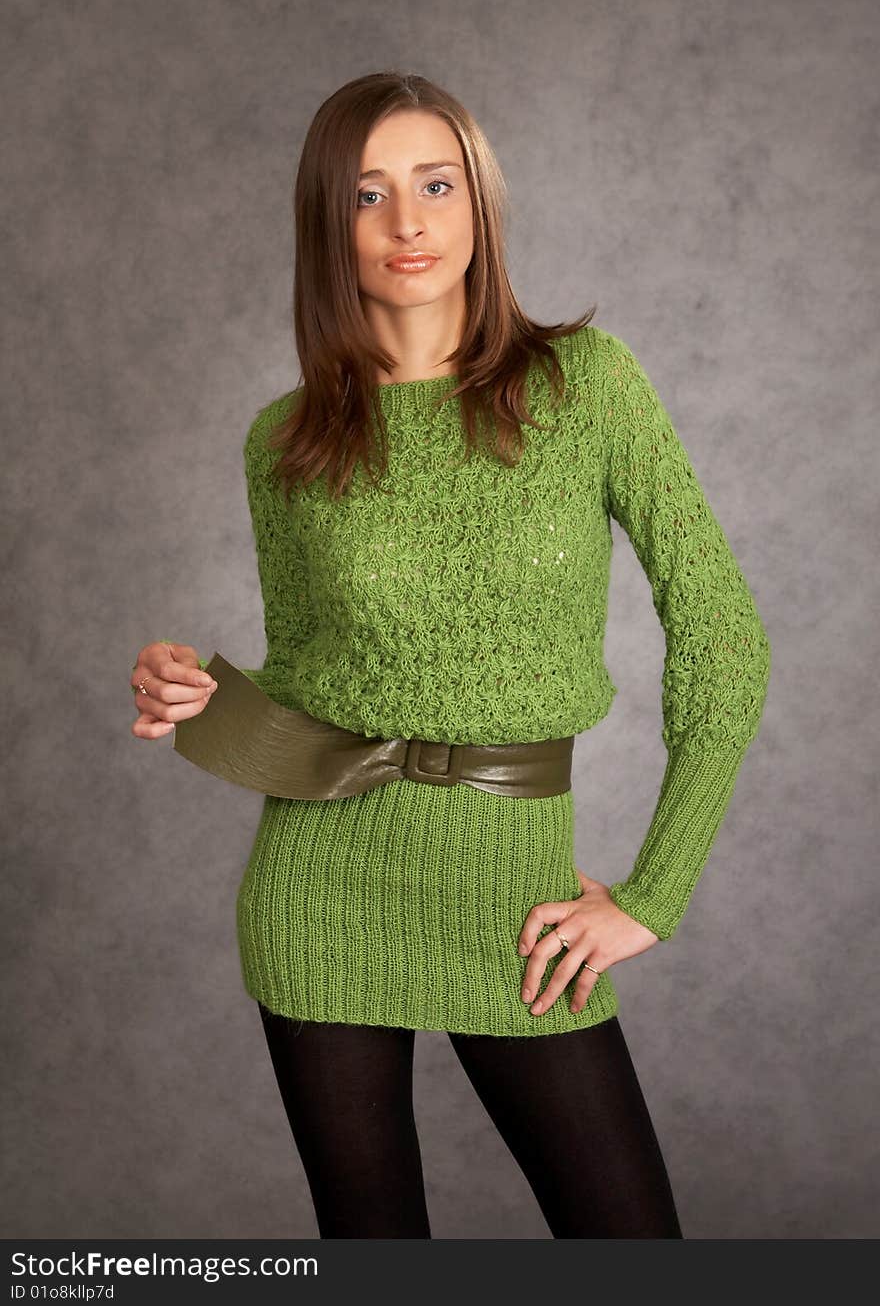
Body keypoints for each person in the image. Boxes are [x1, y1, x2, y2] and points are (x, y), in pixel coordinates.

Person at [129, 72, 771, 1239]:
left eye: (437, 185)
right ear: (328, 224)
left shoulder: (586, 386)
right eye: (368, 194)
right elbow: (317, 688)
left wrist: (654, 894)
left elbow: (725, 638)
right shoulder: (284, 439)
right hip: (318, 891)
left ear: (480, 206)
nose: (407, 223)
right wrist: (200, 696)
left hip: (513, 896)